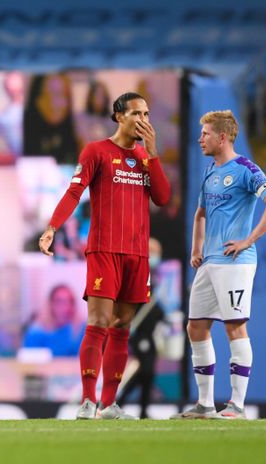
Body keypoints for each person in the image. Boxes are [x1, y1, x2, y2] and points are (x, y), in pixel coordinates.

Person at [38, 92, 171, 420]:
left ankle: (109, 404)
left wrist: (153, 155)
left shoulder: (144, 158)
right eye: (137, 113)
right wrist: (53, 227)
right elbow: (73, 192)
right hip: (104, 250)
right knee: (98, 321)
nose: (144, 119)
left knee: (123, 326)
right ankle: (87, 401)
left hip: (137, 254)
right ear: (118, 116)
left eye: (147, 113)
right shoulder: (96, 151)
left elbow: (164, 198)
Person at [171, 110, 266, 420]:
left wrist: (249, 240)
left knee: (234, 326)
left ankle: (236, 405)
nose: (200, 139)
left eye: (205, 134)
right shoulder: (210, 171)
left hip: (236, 263)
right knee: (196, 326)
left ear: (222, 137)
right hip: (210, 263)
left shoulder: (246, 169)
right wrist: (197, 248)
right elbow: (200, 214)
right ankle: (205, 404)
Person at [117, 238, 166, 419]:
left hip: (150, 332)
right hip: (138, 331)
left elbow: (157, 309)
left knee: (148, 371)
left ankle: (143, 409)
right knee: (144, 369)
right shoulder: (137, 275)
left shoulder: (159, 278)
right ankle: (119, 402)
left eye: (157, 252)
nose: (154, 256)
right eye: (151, 251)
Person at [23, 73, 80, 163]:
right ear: (37, 100)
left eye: (63, 95)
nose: (59, 103)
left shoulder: (76, 138)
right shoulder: (23, 135)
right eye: (52, 95)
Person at [22, 284, 85, 357]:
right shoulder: (35, 333)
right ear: (50, 304)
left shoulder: (80, 330)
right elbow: (29, 362)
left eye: (70, 301)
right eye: (60, 301)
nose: (66, 307)